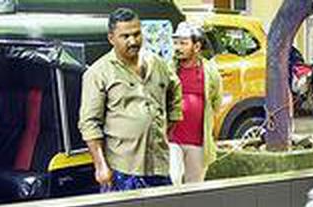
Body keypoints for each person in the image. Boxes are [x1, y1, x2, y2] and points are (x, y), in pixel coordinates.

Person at [79, 8, 183, 192]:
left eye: (136, 34)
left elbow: (174, 87)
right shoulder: (98, 73)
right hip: (122, 169)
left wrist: (170, 123)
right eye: (125, 36)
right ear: (111, 38)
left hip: (159, 164)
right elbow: (89, 123)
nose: (133, 41)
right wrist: (100, 166)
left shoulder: (156, 63)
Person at [169, 22, 222, 184]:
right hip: (172, 139)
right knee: (173, 180)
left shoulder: (210, 71)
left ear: (197, 46)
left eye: (183, 43)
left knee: (194, 187)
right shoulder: (168, 68)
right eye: (176, 42)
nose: (178, 47)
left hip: (198, 142)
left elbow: (216, 102)